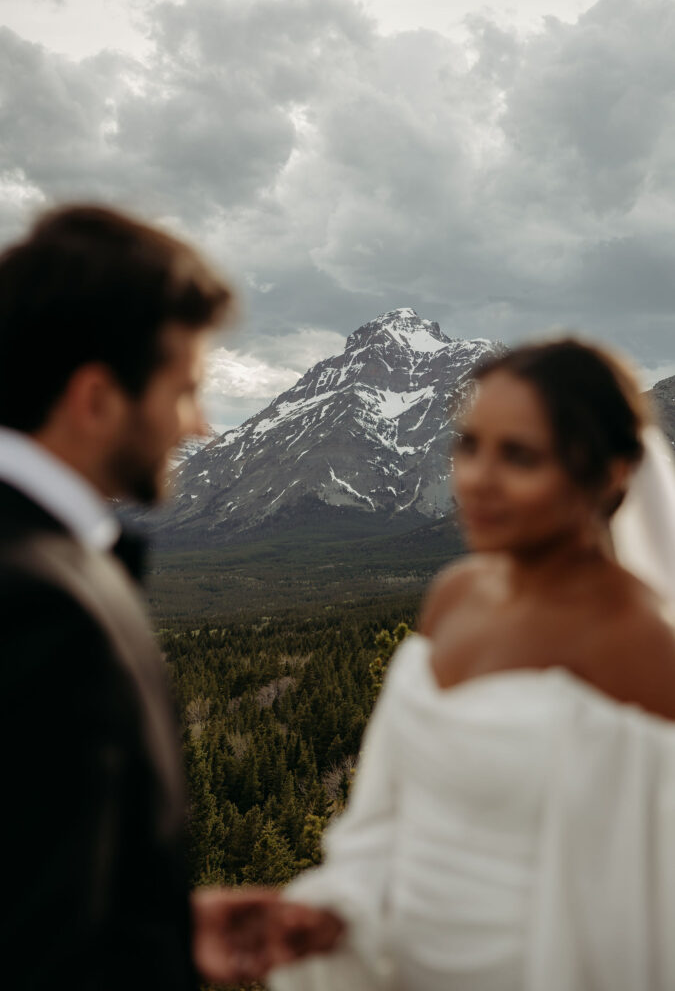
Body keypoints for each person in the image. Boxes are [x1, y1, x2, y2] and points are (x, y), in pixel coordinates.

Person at [0, 205, 341, 990]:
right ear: (96, 398)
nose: (199, 426)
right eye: (184, 391)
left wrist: (160, 929)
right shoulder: (39, 604)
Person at [269, 338, 675, 991]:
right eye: (468, 445)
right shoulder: (453, 595)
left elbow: (646, 909)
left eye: (518, 455)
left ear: (609, 473)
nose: (476, 479)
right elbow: (385, 817)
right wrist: (331, 912)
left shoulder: (640, 647)